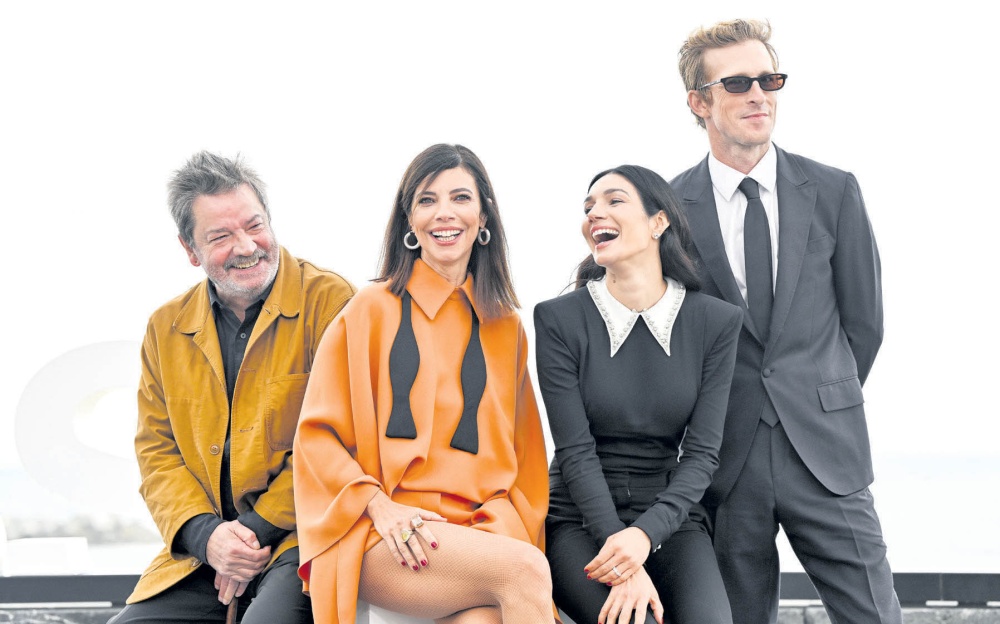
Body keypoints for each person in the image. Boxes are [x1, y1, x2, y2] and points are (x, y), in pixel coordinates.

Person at [670, 18, 903, 624]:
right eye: (737, 83)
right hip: (725, 461)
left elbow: (865, 324)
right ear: (699, 102)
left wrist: (819, 395)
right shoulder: (669, 209)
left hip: (826, 452)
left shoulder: (834, 190)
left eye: (768, 80)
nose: (758, 95)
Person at [293, 143, 553, 623]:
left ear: (483, 215)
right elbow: (316, 438)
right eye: (427, 200)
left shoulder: (506, 326)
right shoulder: (370, 309)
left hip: (481, 533)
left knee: (488, 618)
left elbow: (527, 460)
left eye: (460, 198)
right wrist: (378, 506)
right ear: (409, 221)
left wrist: (506, 528)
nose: (444, 213)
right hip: (386, 530)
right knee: (525, 571)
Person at [111, 151, 356, 624]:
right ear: (190, 250)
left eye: (254, 225)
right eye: (220, 236)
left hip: (300, 539)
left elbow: (346, 438)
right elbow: (156, 452)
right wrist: (208, 539)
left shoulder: (332, 302)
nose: (246, 246)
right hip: (203, 555)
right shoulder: (165, 327)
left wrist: (253, 532)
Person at [534, 165, 742, 624]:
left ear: (658, 222)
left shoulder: (716, 322)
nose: (595, 213)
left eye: (614, 201)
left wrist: (644, 537)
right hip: (580, 517)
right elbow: (574, 451)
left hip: (669, 518)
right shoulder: (558, 320)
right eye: (588, 206)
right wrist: (620, 553)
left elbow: (702, 455)